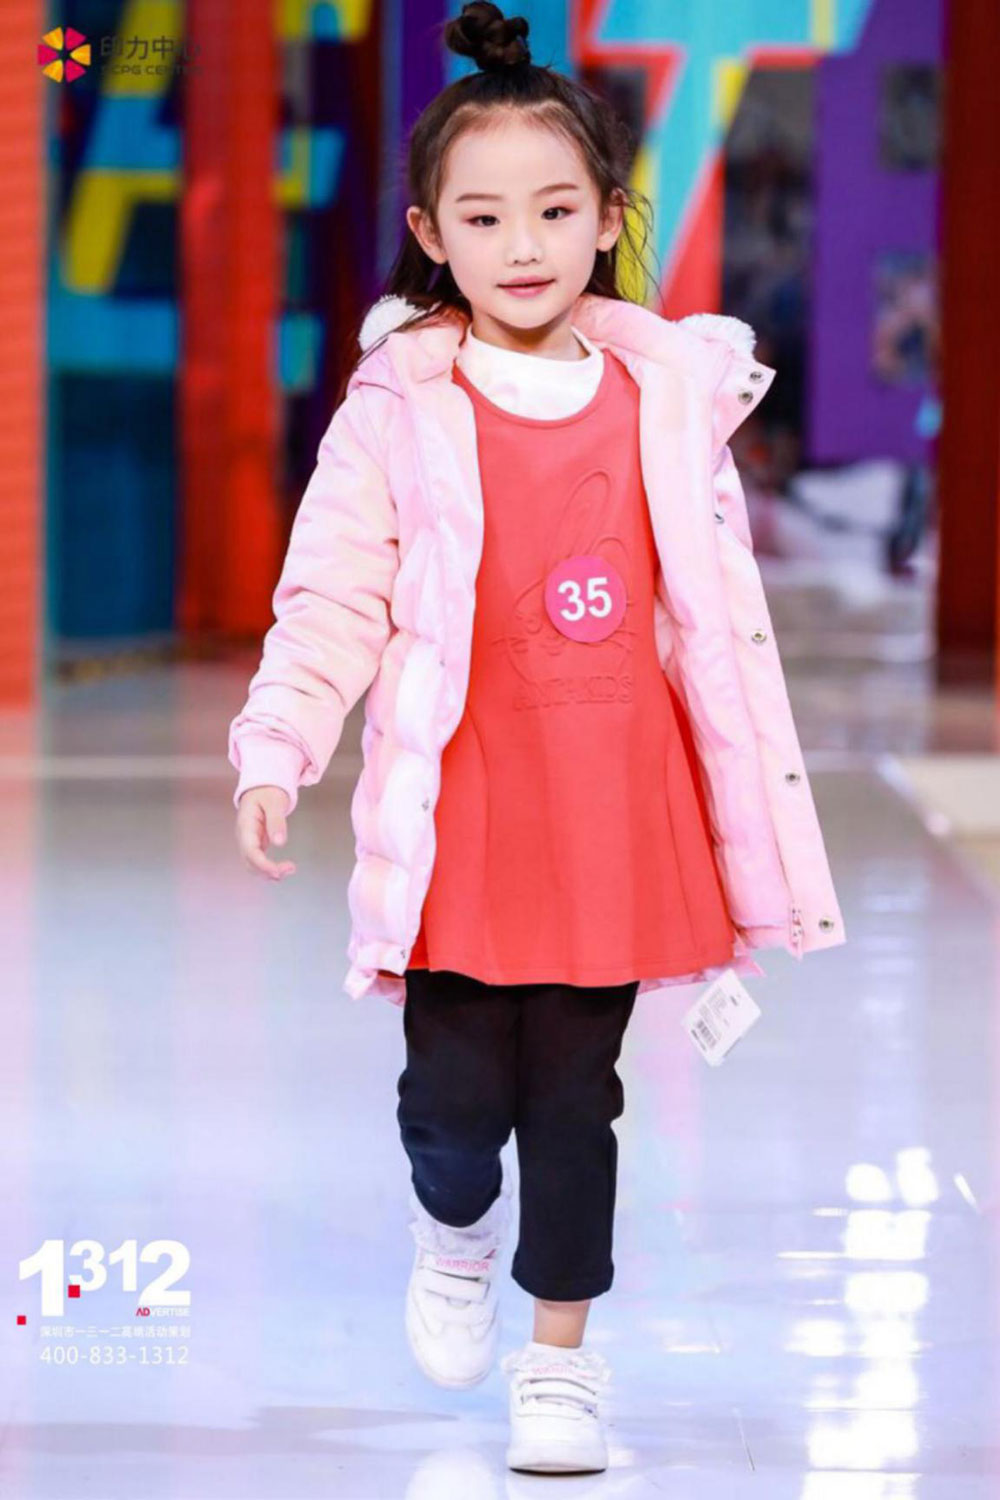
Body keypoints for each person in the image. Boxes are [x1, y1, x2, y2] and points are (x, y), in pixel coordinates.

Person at [228, 0, 846, 1475]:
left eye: (557, 210)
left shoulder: (668, 395)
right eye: (485, 215)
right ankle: (455, 1232)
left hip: (611, 819)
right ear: (431, 235)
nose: (524, 245)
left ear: (609, 218)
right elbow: (334, 594)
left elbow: (713, 626)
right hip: (462, 824)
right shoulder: (397, 408)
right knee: (453, 1107)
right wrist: (278, 743)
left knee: (578, 1101)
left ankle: (560, 1359)